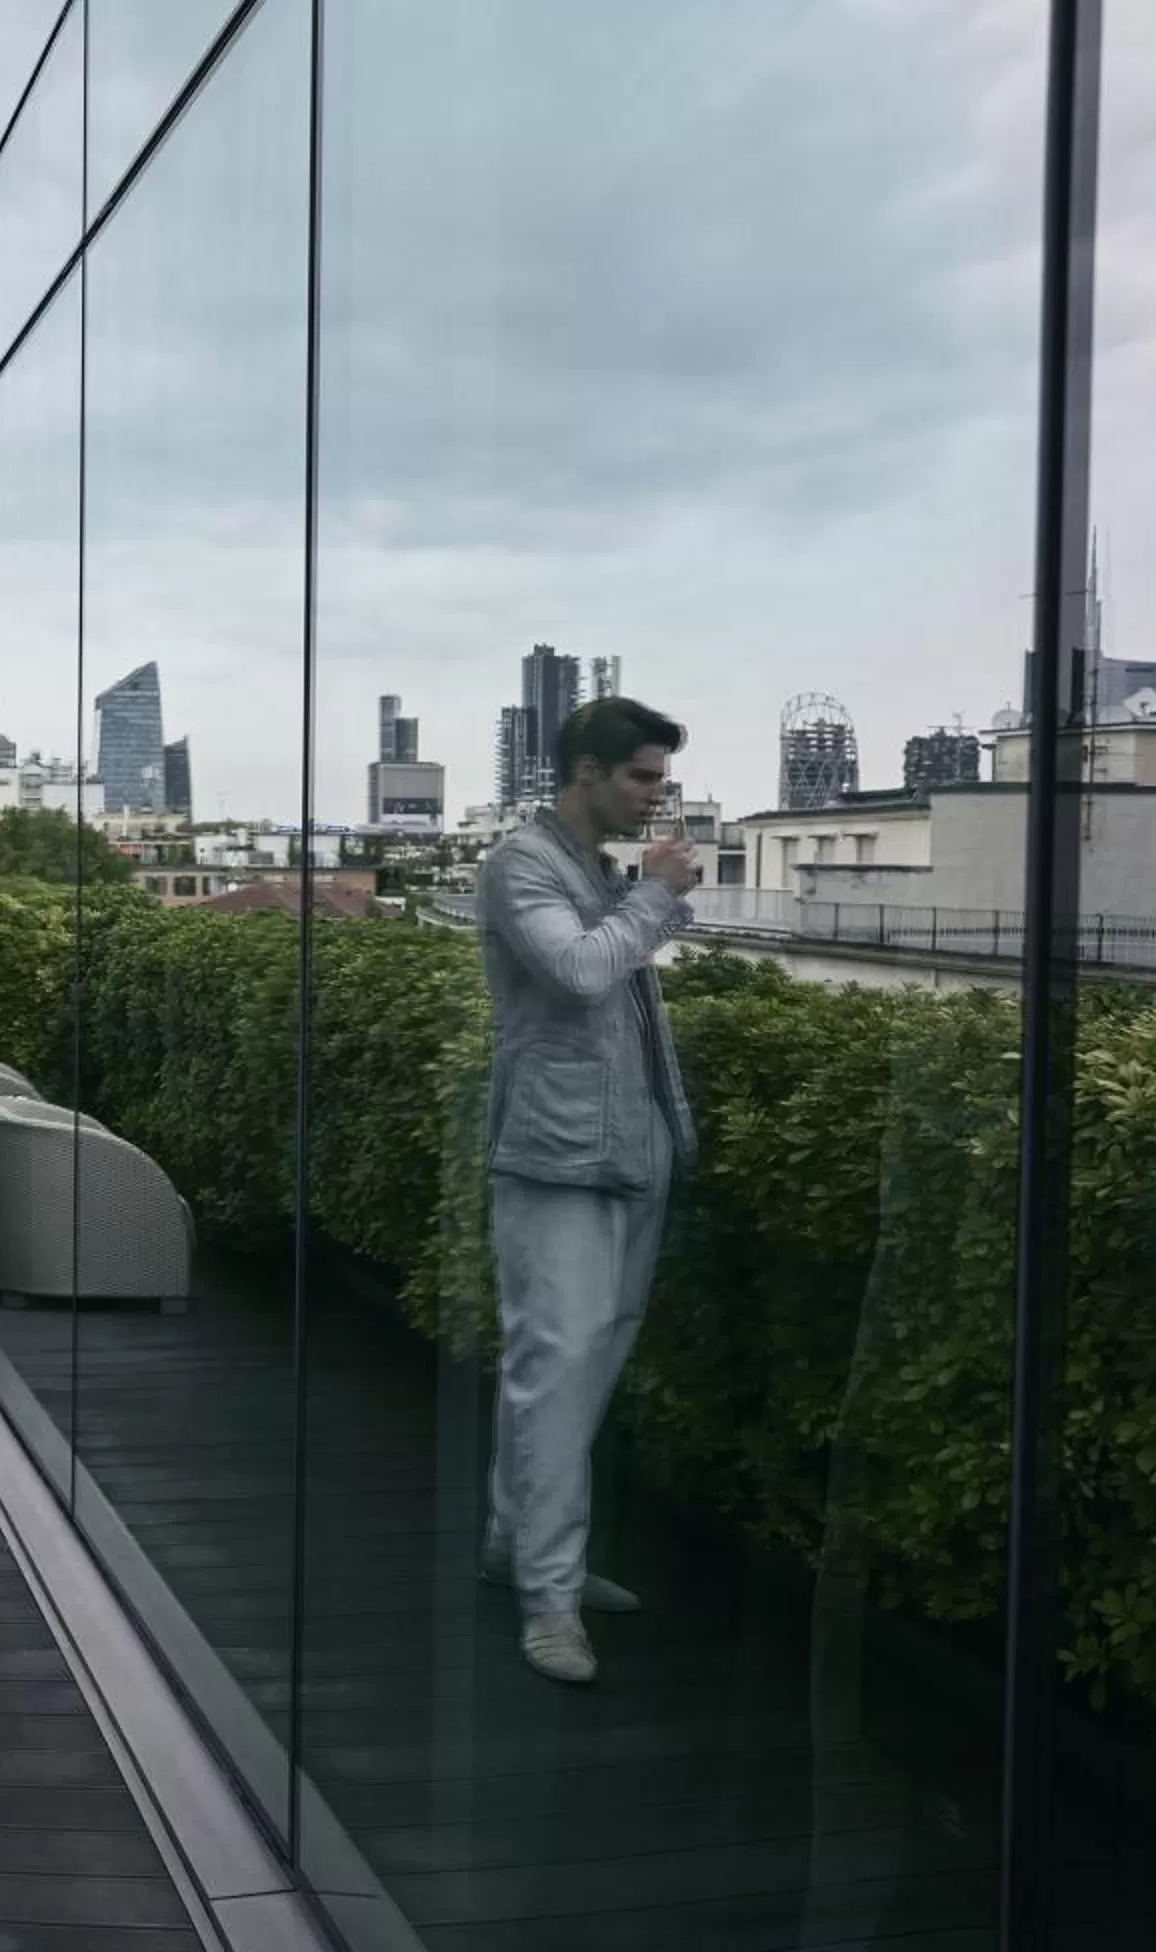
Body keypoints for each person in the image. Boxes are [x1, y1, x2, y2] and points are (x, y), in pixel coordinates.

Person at [474, 695, 700, 1686]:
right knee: (554, 1374)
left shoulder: (599, 871)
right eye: (642, 776)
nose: (657, 794)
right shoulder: (521, 864)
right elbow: (575, 971)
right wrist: (656, 897)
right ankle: (549, 1603)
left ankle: (516, 1545)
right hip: (555, 1158)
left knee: (580, 1371)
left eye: (659, 776)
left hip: (624, 1157)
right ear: (585, 771)